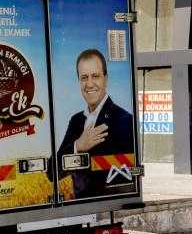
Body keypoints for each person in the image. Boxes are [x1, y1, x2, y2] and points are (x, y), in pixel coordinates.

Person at [56, 49, 135, 199]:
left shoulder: (124, 120)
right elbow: (52, 174)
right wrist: (78, 146)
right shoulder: (76, 121)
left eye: (95, 76)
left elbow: (124, 181)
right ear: (79, 81)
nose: (89, 84)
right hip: (79, 208)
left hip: (106, 206)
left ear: (106, 79)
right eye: (84, 77)